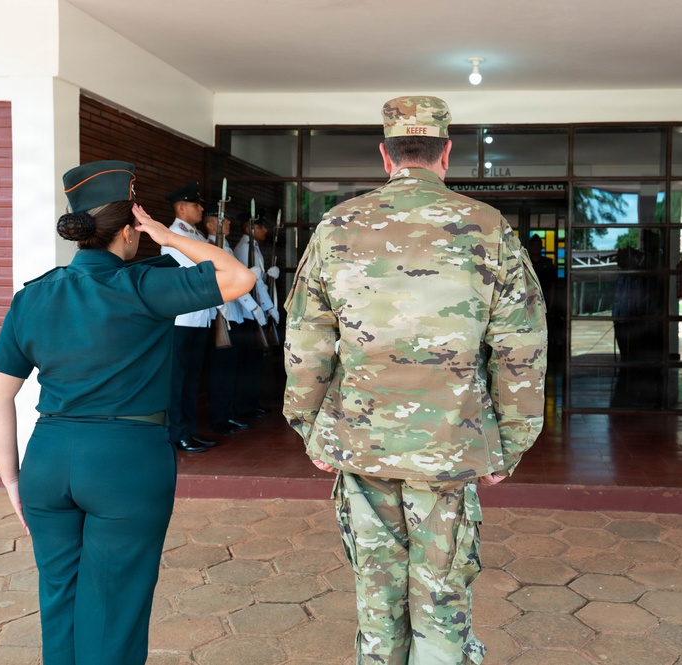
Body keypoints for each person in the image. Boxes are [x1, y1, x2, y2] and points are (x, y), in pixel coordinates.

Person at [283, 96, 548, 664]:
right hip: (452, 447)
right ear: (447, 153)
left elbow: (307, 341)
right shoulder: (488, 226)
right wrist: (512, 442)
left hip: (361, 443)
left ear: (385, 155)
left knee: (376, 595)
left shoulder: (338, 226)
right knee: (443, 593)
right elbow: (520, 347)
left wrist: (310, 427)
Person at [0, 160, 255, 664]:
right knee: (114, 610)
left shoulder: (33, 295)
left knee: (59, 602)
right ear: (130, 228)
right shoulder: (144, 286)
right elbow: (238, 276)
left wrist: (14, 481)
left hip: (47, 459)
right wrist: (165, 235)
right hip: (125, 462)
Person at [163, 182, 219, 452]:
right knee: (178, 380)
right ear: (181, 208)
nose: (201, 209)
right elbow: (200, 269)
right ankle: (177, 434)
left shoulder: (194, 235)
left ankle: (190, 430)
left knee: (191, 380)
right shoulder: (174, 235)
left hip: (199, 318)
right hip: (183, 321)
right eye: (196, 205)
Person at [200, 208, 255, 435]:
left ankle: (228, 413)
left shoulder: (225, 246)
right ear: (211, 225)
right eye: (222, 221)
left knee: (229, 370)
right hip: (221, 314)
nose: (228, 224)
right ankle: (219, 417)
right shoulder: (210, 247)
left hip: (232, 315)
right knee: (220, 371)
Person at [233, 211, 280, 418]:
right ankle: (244, 406)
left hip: (256, 312)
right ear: (248, 229)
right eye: (260, 227)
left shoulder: (254, 248)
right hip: (247, 314)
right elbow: (248, 283)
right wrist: (260, 308)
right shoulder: (244, 249)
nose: (265, 230)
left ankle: (251, 403)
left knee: (255, 363)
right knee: (247, 363)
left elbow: (259, 281)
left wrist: (269, 306)